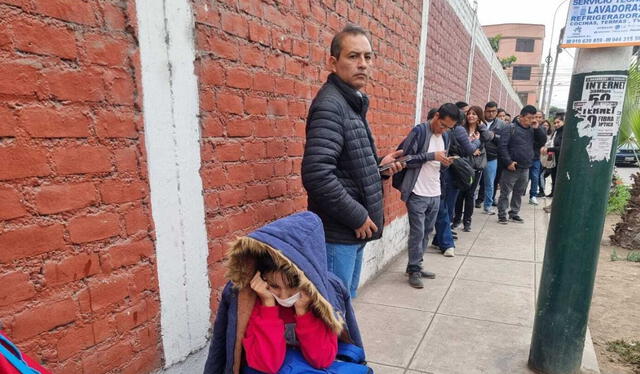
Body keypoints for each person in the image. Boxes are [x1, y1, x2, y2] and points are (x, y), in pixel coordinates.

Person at [301, 25, 403, 298]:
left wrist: (380, 167)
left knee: (344, 305)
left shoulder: (350, 103)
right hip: (339, 233)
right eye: (353, 56)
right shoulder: (331, 105)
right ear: (333, 62)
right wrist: (357, 216)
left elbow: (347, 164)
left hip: (352, 232)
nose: (363, 64)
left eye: (368, 57)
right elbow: (316, 174)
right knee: (334, 312)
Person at [203, 212, 366, 374]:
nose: (284, 296)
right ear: (260, 278)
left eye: (292, 286)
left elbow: (322, 359)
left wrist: (303, 312)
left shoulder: (320, 295)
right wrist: (268, 305)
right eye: (275, 286)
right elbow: (266, 365)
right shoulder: (252, 297)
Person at [396, 104, 458, 288]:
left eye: (449, 128)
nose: (444, 130)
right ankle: (414, 269)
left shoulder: (445, 136)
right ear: (436, 116)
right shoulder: (420, 132)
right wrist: (431, 156)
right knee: (418, 231)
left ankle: (416, 265)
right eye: (443, 125)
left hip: (435, 191)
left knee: (427, 231)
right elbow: (405, 159)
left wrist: (445, 162)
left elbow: (439, 163)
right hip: (417, 191)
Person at [432, 103, 487, 257]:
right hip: (449, 170)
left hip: (453, 170)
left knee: (447, 205)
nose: (470, 116)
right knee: (446, 206)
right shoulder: (458, 130)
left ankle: (442, 238)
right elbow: (470, 150)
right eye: (468, 113)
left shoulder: (454, 130)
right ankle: (445, 240)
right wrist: (476, 142)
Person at [497, 105, 547, 224]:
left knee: (519, 192)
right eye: (529, 118)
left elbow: (542, 141)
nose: (532, 120)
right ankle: (502, 214)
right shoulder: (510, 128)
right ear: (521, 117)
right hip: (512, 167)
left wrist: (537, 128)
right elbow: (502, 147)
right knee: (505, 192)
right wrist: (508, 162)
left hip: (526, 166)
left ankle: (514, 213)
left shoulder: (533, 129)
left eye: (534, 118)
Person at [453, 106, 491, 232]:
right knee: (460, 194)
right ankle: (457, 219)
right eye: (469, 114)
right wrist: (472, 146)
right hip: (463, 166)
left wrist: (481, 127)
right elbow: (461, 147)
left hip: (476, 166)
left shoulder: (482, 132)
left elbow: (488, 137)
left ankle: (467, 222)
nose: (471, 116)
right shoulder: (462, 129)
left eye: (474, 114)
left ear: (479, 116)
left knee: (470, 194)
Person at [475, 101, 507, 214]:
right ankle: (472, 201)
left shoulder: (502, 125)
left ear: (497, 112)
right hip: (477, 155)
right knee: (474, 181)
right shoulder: (478, 121)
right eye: (488, 111)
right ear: (485, 111)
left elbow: (503, 141)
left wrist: (493, 136)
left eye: (493, 111)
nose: (491, 113)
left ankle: (487, 206)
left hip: (492, 157)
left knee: (490, 182)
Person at [543, 113, 566, 213]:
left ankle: (555, 205)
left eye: (558, 122)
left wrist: (548, 149)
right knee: (554, 182)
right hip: (553, 161)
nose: (556, 124)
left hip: (561, 162)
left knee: (558, 184)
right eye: (555, 122)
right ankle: (553, 204)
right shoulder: (556, 132)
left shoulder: (564, 133)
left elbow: (561, 148)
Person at [528, 111, 546, 205]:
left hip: (535, 157)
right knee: (524, 177)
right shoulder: (527, 127)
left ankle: (533, 195)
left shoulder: (542, 129)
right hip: (525, 156)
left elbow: (543, 141)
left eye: (539, 117)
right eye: (535, 116)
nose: (537, 119)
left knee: (535, 176)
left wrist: (537, 128)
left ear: (542, 119)